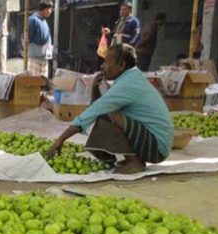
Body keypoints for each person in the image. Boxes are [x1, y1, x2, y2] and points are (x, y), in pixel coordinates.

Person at [47, 44, 173, 175]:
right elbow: (99, 107)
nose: (102, 66)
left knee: (107, 116)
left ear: (122, 65)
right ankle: (132, 158)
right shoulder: (130, 78)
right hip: (153, 141)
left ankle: (135, 161)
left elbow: (95, 112)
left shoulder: (127, 84)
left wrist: (60, 140)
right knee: (104, 115)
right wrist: (95, 91)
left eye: (107, 61)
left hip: (156, 147)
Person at [27, 1, 54, 77]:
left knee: (43, 83)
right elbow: (26, 38)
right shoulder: (33, 20)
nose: (50, 11)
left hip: (44, 58)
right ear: (44, 9)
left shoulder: (44, 21)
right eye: (49, 9)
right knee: (34, 82)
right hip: (35, 58)